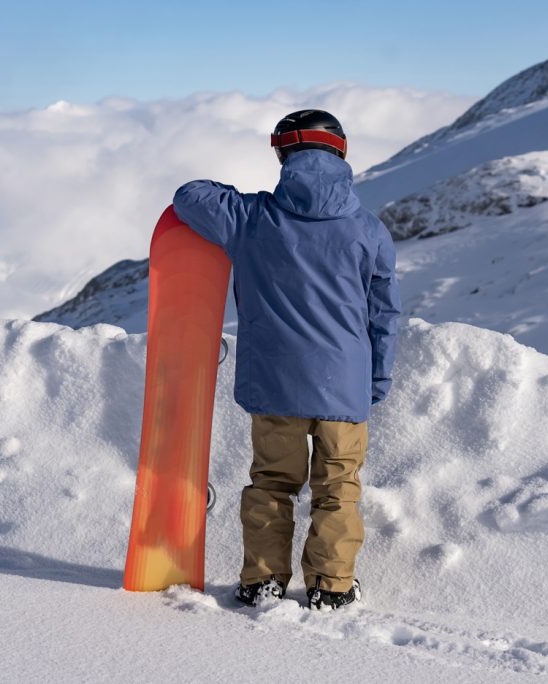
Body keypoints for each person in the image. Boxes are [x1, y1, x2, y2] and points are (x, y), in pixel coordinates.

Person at [172, 109, 401, 610]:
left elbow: (189, 196)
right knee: (338, 490)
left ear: (283, 154)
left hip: (275, 383)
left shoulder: (251, 218)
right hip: (345, 386)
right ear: (341, 151)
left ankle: (262, 582)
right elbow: (384, 315)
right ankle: (331, 588)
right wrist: (375, 380)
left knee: (272, 484)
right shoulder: (369, 230)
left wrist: (235, 195)